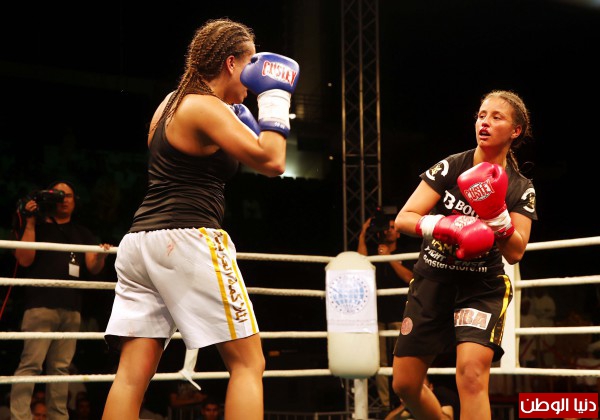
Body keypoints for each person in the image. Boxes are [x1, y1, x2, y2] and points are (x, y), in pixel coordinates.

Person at [101, 18, 299, 420]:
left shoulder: (171, 103)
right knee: (248, 364)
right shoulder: (204, 107)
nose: (252, 80)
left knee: (131, 377)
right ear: (230, 63)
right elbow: (273, 161)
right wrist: (276, 97)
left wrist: (243, 116)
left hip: (140, 243)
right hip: (188, 237)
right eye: (250, 63)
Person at [392, 89, 537, 419]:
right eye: (481, 116)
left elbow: (516, 252)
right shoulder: (452, 166)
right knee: (405, 385)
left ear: (515, 131)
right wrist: (444, 225)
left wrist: (497, 216)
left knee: (471, 377)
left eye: (496, 117)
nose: (485, 123)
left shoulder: (520, 187)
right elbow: (404, 218)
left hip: (481, 288)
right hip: (433, 280)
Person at [9, 181, 112, 420]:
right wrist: (30, 222)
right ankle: (19, 417)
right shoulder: (38, 226)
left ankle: (59, 417)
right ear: (49, 199)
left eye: (69, 196)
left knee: (61, 368)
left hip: (72, 308)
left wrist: (102, 255)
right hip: (40, 306)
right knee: (31, 364)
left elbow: (93, 267)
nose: (64, 199)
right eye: (58, 195)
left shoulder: (82, 233)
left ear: (75, 201)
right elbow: (24, 259)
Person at [357, 213, 413, 410]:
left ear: (398, 233)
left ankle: (405, 402)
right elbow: (361, 266)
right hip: (378, 315)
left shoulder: (405, 253)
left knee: (402, 359)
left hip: (400, 315)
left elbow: (409, 277)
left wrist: (389, 258)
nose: (388, 231)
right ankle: (385, 405)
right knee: (380, 363)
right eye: (386, 227)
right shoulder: (374, 252)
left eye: (392, 228)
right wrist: (363, 234)